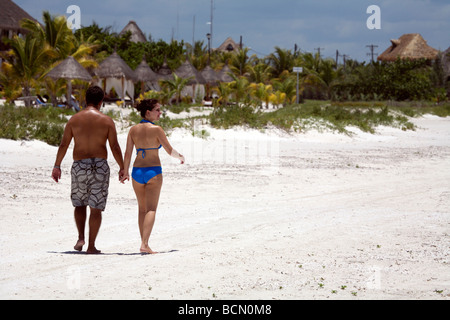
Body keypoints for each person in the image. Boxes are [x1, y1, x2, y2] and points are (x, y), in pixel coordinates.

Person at [51, 85, 125, 254]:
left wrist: (57, 166)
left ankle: (80, 237)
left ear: (85, 100)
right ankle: (91, 246)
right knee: (96, 207)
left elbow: (64, 144)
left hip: (79, 165)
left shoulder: (74, 120)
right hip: (99, 166)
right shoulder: (106, 121)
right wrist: (122, 167)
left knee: (79, 204)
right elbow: (114, 146)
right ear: (101, 101)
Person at [121, 99, 185, 254]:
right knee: (151, 209)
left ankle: (143, 243)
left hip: (137, 172)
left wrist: (125, 171)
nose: (160, 112)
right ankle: (145, 243)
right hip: (153, 172)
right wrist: (181, 157)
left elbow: (128, 153)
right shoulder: (157, 130)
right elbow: (169, 150)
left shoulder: (133, 130)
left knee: (141, 209)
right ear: (147, 112)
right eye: (157, 110)